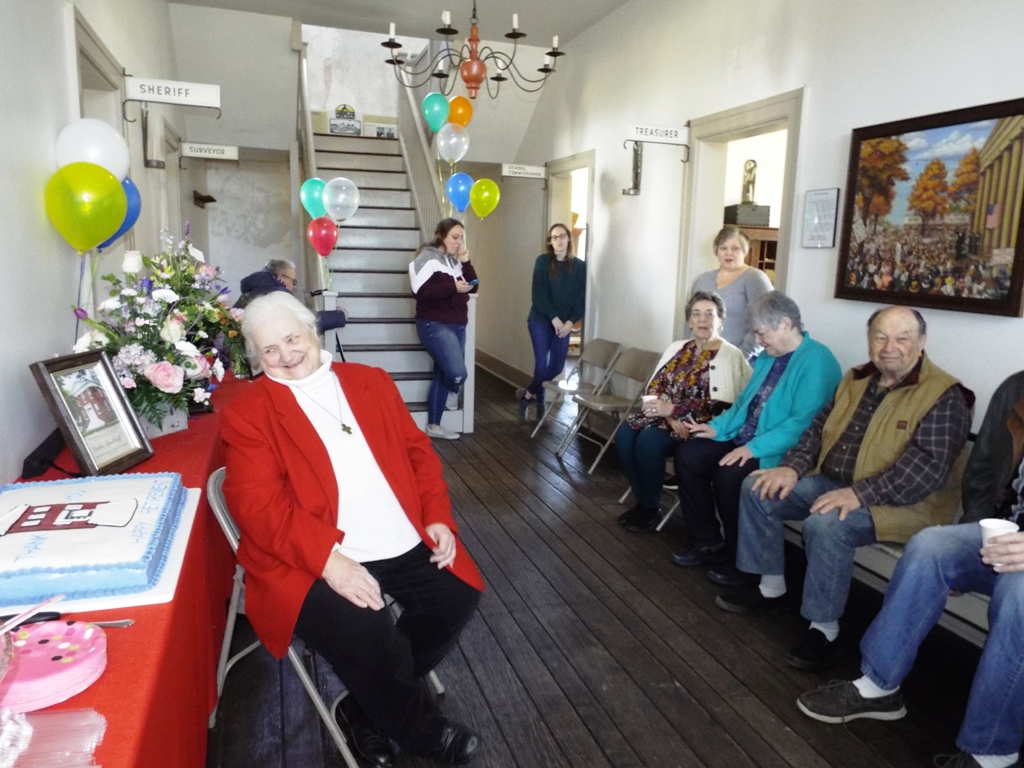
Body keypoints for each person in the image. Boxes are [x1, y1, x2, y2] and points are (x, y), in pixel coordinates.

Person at [220, 292, 484, 767]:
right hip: (306, 556)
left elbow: (418, 453)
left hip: (396, 534)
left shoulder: (370, 381)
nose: (286, 355)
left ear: (312, 331)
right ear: (257, 357)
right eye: (270, 350)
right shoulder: (249, 411)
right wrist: (330, 562)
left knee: (455, 595)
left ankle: (364, 710)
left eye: (292, 339)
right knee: (366, 627)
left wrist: (436, 515)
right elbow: (258, 508)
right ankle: (426, 734)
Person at [718, 306, 973, 672]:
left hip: (904, 504)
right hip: (835, 482)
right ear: (870, 340)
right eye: (880, 337)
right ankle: (770, 586)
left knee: (826, 524)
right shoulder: (857, 378)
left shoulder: (944, 395)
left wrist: (857, 495)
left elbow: (923, 472)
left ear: (922, 342)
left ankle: (824, 629)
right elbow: (815, 431)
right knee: (759, 488)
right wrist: (791, 467)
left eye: (901, 338)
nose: (889, 347)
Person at [796, 370, 1024, 768]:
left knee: (1018, 594)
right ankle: (879, 686)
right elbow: (984, 467)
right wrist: (976, 534)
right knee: (930, 546)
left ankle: (992, 752)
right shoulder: (1016, 388)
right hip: (1009, 532)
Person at [668, 292, 842, 571]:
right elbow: (743, 404)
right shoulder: (768, 357)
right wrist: (715, 427)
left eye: (762, 333)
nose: (758, 340)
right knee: (689, 455)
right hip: (745, 437)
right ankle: (707, 541)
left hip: (782, 450)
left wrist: (752, 449)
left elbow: (804, 424)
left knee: (729, 475)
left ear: (785, 324)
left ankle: (740, 557)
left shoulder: (817, 361)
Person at [615, 291, 752, 532]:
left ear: (721, 319)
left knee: (648, 442)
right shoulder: (677, 347)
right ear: (689, 320)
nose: (702, 320)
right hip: (664, 417)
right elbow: (654, 385)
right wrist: (668, 415)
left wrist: (676, 410)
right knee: (624, 435)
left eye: (709, 314)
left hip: (699, 425)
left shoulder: (731, 355)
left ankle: (651, 507)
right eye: (696, 314)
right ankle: (644, 501)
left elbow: (724, 405)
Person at [409, 218, 478, 440]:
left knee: (442, 371)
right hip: (434, 324)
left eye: (461, 238)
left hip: (458, 325)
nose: (459, 242)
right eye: (454, 237)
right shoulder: (427, 258)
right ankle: (452, 391)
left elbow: (474, 286)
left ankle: (434, 426)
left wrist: (465, 262)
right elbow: (419, 290)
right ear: (441, 235)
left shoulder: (455, 262)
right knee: (457, 373)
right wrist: (452, 286)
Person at [516, 223, 586, 422]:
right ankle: (540, 406)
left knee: (556, 366)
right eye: (554, 237)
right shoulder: (543, 261)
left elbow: (581, 298)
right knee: (541, 365)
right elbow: (538, 294)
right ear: (550, 242)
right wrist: (555, 319)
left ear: (568, 238)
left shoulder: (580, 266)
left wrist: (570, 323)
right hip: (541, 319)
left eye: (562, 236)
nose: (559, 240)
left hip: (564, 324)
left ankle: (527, 395)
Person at [689, 226, 773, 358]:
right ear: (716, 251)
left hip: (739, 358)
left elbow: (765, 321)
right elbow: (691, 319)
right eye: (723, 248)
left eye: (735, 248)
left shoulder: (755, 278)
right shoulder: (704, 279)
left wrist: (741, 356)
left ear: (745, 251)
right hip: (701, 356)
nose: (729, 253)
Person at [236, 258, 348, 333]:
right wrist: (340, 316)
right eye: (294, 282)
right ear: (281, 277)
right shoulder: (276, 293)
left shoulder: (251, 291)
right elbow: (304, 322)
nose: (294, 287)